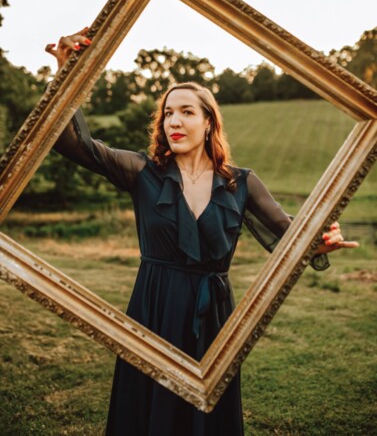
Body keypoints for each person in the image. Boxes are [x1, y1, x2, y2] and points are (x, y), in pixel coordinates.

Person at [46, 30, 359, 436]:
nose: (174, 120)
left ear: (209, 122)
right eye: (168, 113)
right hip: (152, 309)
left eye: (187, 112)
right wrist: (66, 71)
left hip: (212, 319)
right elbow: (70, 142)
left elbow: (287, 235)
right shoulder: (143, 172)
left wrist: (316, 241)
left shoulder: (242, 183)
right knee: (146, 411)